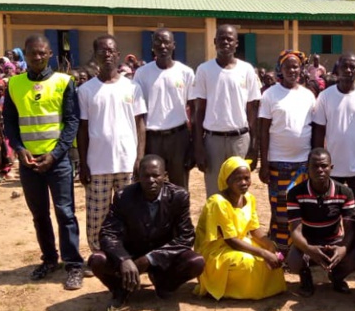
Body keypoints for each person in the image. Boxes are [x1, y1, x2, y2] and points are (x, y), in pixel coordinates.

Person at [3, 35, 84, 290]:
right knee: (39, 215)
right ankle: (49, 259)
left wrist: (56, 154)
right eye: (32, 53)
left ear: (50, 54)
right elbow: (10, 123)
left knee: (65, 213)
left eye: (42, 53)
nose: (37, 57)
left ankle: (74, 265)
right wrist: (19, 149)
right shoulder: (14, 84)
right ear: (24, 55)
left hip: (56, 161)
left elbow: (72, 122)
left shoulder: (63, 82)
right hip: (29, 163)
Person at [91, 155, 205, 308]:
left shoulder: (178, 196)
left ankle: (164, 285)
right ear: (138, 177)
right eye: (146, 176)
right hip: (131, 253)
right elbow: (108, 233)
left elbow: (186, 237)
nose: (151, 180)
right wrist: (123, 259)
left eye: (156, 175)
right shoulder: (123, 196)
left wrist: (150, 259)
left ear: (165, 176)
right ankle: (120, 289)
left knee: (196, 262)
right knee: (97, 259)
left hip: (164, 255)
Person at [77, 35, 147, 256]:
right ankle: (98, 254)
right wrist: (83, 164)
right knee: (97, 215)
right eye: (102, 51)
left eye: (111, 51)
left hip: (127, 163)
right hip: (97, 165)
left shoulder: (132, 87)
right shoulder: (86, 90)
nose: (107, 54)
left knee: (129, 213)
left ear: (118, 54)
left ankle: (128, 253)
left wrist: (140, 158)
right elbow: (82, 129)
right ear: (95, 55)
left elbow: (140, 125)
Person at [194, 156, 287, 300]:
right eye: (238, 179)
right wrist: (263, 253)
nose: (244, 183)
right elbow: (230, 240)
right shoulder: (218, 203)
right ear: (227, 180)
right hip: (218, 249)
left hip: (240, 242)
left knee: (270, 255)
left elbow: (254, 229)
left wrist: (270, 246)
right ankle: (231, 290)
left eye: (247, 178)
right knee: (249, 262)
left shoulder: (249, 198)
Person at [190, 25, 261, 198]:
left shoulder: (247, 70)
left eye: (230, 39)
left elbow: (253, 110)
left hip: (240, 140)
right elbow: (199, 111)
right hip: (213, 141)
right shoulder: (204, 70)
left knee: (239, 193)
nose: (225, 42)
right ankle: (216, 226)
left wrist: (254, 145)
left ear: (237, 43)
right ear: (215, 42)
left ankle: (237, 226)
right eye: (221, 38)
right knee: (215, 194)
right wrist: (198, 146)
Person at [257, 50, 315, 254]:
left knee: (301, 209)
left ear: (301, 69)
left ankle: (299, 252)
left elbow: (314, 128)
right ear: (280, 69)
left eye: (295, 66)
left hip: (303, 164)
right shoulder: (270, 95)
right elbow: (263, 131)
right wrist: (264, 163)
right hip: (278, 162)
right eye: (287, 66)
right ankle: (282, 250)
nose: (292, 70)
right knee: (280, 210)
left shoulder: (308, 95)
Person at [287, 148, 355, 296]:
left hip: (334, 240)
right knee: (293, 260)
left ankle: (337, 276)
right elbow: (295, 231)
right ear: (307, 168)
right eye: (315, 166)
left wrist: (342, 249)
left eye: (324, 166)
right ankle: (305, 277)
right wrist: (309, 249)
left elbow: (350, 229)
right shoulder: (295, 193)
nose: (320, 170)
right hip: (308, 241)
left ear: (331, 168)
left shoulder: (345, 192)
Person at [133, 29, 195, 189]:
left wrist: (193, 143)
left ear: (174, 45)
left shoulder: (186, 72)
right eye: (158, 42)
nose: (162, 46)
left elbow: (194, 110)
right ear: (152, 46)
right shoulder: (141, 73)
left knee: (179, 187)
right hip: (152, 139)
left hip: (178, 138)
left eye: (166, 42)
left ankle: (179, 215)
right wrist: (140, 152)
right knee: (152, 188)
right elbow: (138, 114)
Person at [312, 53, 355, 200]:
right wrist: (318, 164)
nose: (348, 70)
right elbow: (319, 132)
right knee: (331, 212)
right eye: (344, 67)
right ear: (337, 70)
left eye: (352, 67)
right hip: (331, 167)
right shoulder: (325, 97)